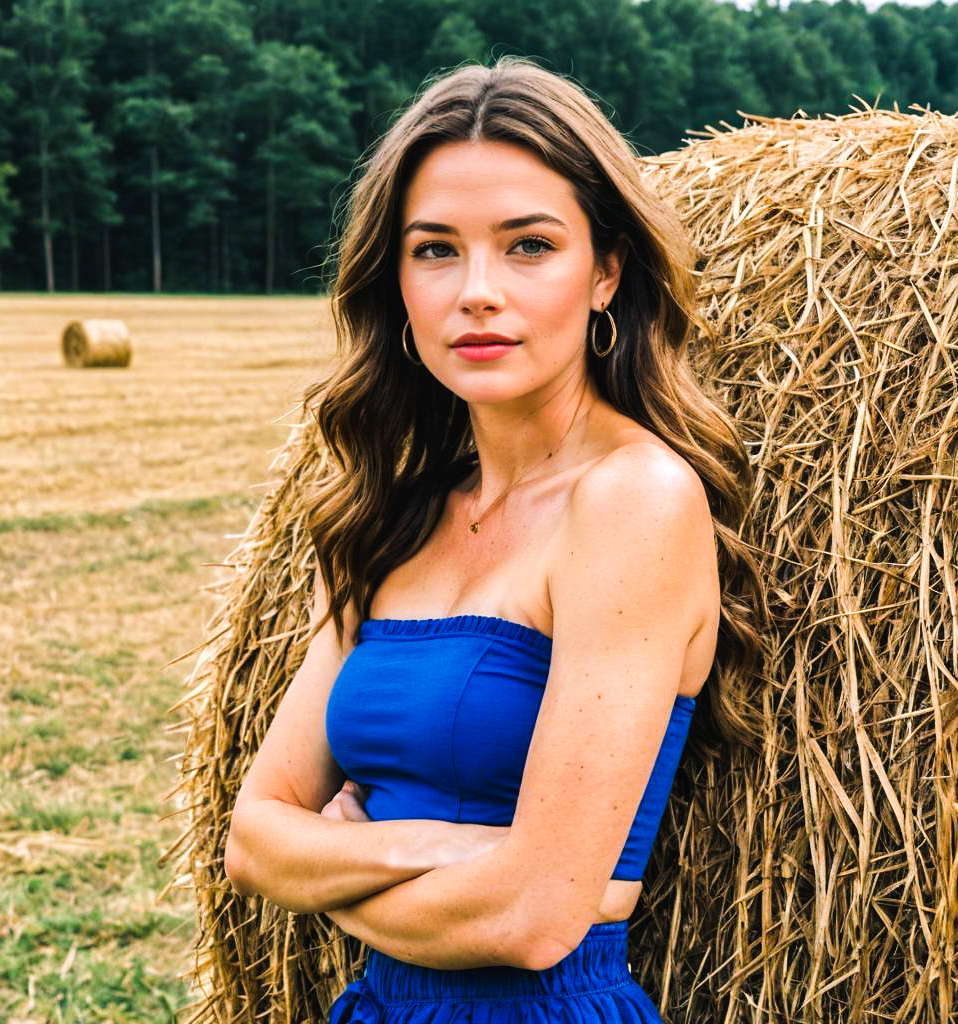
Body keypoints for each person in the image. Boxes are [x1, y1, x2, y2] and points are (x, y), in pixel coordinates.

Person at [224, 56, 764, 1023]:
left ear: (605, 272)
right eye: (435, 250)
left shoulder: (634, 500)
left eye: (529, 246)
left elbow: (534, 920)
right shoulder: (387, 516)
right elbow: (255, 842)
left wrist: (337, 866)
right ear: (395, 281)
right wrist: (444, 849)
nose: (477, 291)